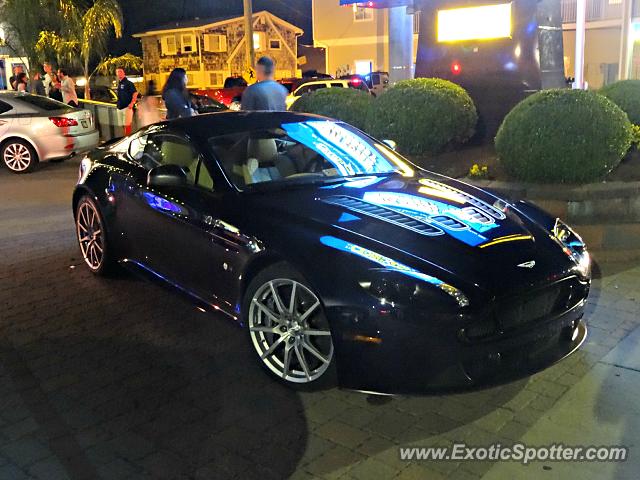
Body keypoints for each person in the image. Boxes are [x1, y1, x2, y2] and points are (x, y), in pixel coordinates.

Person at [115, 67, 138, 136]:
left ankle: (127, 138)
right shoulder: (119, 83)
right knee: (122, 125)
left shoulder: (129, 83)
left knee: (127, 125)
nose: (119, 73)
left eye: (120, 71)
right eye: (117, 72)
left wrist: (132, 103)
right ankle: (124, 138)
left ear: (124, 73)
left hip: (127, 107)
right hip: (119, 107)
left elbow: (135, 93)